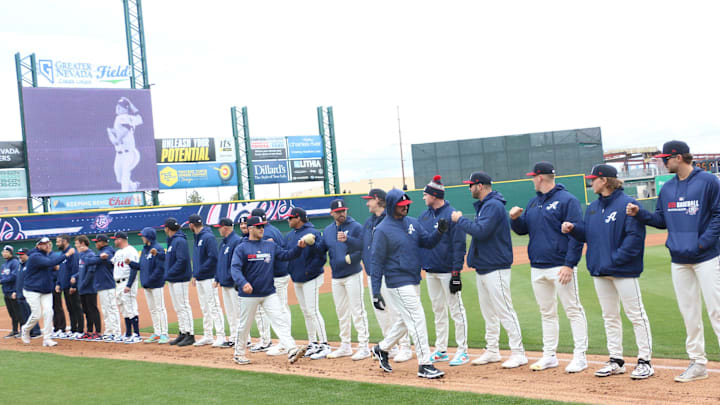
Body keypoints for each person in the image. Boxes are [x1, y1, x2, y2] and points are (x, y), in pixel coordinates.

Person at [626, 140, 720, 383]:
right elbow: (661, 220)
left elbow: (719, 215)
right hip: (679, 258)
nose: (663, 162)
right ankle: (698, 363)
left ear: (679, 157)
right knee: (689, 312)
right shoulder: (667, 188)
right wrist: (641, 214)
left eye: (666, 158)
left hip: (707, 257)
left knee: (717, 310)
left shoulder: (709, 181)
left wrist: (702, 243)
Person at [562, 164, 653, 379]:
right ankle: (616, 360)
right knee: (609, 316)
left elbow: (634, 238)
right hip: (600, 270)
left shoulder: (628, 204)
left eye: (593, 179)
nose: (590, 182)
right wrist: (574, 230)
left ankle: (645, 361)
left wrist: (615, 259)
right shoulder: (593, 207)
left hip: (623, 270)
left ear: (604, 180)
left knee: (636, 315)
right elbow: (590, 235)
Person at [509, 161, 589, 373]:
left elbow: (576, 234)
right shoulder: (534, 203)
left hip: (560, 265)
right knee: (546, 312)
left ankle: (580, 357)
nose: (532, 180)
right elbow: (523, 229)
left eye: (533, 177)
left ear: (540, 177)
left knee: (573, 310)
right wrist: (515, 219)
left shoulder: (567, 200)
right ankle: (549, 356)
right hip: (538, 266)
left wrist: (569, 264)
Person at [451, 171, 527, 368]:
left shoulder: (492, 205)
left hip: (496, 266)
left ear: (480, 185)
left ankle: (519, 353)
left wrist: (460, 220)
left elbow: (481, 231)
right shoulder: (486, 205)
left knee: (504, 310)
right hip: (485, 266)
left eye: (471, 185)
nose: (469, 188)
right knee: (489, 313)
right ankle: (492, 350)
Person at [370, 189, 447, 379]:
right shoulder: (382, 230)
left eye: (407, 205)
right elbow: (376, 262)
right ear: (391, 206)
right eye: (401, 205)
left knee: (406, 319)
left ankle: (382, 348)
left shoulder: (412, 223)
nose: (405, 208)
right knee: (417, 318)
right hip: (396, 281)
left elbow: (427, 242)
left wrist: (439, 232)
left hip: (413, 278)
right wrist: (375, 292)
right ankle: (425, 364)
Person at [230, 216, 309, 365]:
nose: (262, 229)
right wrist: (243, 282)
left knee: (280, 321)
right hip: (249, 294)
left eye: (263, 226)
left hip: (268, 293)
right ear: (251, 228)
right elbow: (235, 268)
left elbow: (286, 255)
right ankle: (239, 353)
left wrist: (299, 248)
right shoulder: (242, 247)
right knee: (244, 325)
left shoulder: (269, 245)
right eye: (258, 227)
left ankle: (292, 349)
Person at [418, 175, 470, 366]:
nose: (423, 198)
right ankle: (441, 349)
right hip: (431, 271)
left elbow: (459, 245)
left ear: (434, 195)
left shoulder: (452, 214)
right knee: (438, 310)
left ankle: (463, 350)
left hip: (448, 270)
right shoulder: (424, 216)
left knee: (456, 310)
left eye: (425, 195)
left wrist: (456, 272)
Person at [315, 199, 371, 360]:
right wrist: (311, 243)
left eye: (343, 211)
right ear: (332, 213)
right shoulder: (328, 231)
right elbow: (322, 250)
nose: (341, 214)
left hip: (353, 274)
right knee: (341, 313)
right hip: (336, 276)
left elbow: (363, 246)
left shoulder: (355, 227)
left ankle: (364, 346)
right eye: (338, 212)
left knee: (358, 311)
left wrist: (349, 253)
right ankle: (345, 346)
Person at [361, 188, 412, 363]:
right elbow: (363, 246)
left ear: (378, 200)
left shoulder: (391, 221)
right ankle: (388, 348)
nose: (367, 203)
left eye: (369, 200)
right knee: (381, 312)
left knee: (396, 311)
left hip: (388, 274)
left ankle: (405, 347)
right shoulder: (369, 222)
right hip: (372, 274)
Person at [285, 207, 330, 359]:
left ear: (299, 218)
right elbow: (288, 254)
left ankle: (324, 344)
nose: (289, 220)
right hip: (297, 278)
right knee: (306, 312)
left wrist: (309, 270)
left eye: (291, 218)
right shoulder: (291, 235)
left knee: (313, 311)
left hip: (311, 277)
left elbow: (321, 256)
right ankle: (313, 343)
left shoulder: (313, 233)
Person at [22, 237, 75, 346]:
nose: (47, 245)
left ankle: (47, 338)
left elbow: (48, 266)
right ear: (38, 246)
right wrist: (67, 254)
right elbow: (50, 263)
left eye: (48, 243)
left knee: (49, 312)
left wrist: (52, 268)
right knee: (36, 315)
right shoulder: (35, 256)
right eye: (44, 244)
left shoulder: (45, 255)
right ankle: (25, 329)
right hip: (32, 290)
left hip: (46, 289)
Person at [250, 207, 289, 354]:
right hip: (282, 273)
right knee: (282, 308)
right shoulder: (275, 230)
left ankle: (284, 343)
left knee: (279, 310)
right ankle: (284, 342)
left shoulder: (266, 233)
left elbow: (265, 259)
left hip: (276, 275)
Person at [188, 214, 226, 347]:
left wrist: (198, 272)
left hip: (209, 278)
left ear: (191, 225)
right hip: (200, 278)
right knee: (205, 307)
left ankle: (221, 336)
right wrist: (195, 274)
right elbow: (198, 259)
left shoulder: (207, 237)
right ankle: (208, 335)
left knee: (214, 306)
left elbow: (213, 258)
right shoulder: (198, 237)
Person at [127, 227, 169, 344]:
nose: (142, 237)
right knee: (152, 309)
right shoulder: (145, 250)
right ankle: (157, 332)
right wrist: (131, 264)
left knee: (160, 308)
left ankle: (164, 333)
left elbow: (160, 268)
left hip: (156, 284)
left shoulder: (157, 248)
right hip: (147, 284)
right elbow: (142, 266)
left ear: (149, 236)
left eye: (143, 236)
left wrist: (150, 280)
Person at [164, 217, 195, 347]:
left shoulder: (179, 241)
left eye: (165, 227)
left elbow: (182, 260)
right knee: (178, 307)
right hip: (173, 278)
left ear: (168, 228)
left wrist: (169, 273)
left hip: (180, 278)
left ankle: (190, 334)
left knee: (183, 306)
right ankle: (182, 332)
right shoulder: (173, 241)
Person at [213, 218, 242, 349]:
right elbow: (220, 263)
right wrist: (217, 278)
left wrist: (233, 278)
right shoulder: (223, 243)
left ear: (225, 227)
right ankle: (233, 337)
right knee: (230, 313)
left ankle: (242, 339)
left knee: (238, 312)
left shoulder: (236, 241)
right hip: (225, 283)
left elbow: (237, 263)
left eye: (220, 227)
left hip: (233, 284)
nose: (218, 229)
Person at [91, 235, 124, 343]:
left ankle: (116, 332)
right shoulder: (101, 252)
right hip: (102, 284)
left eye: (97, 242)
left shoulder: (109, 250)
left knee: (111, 308)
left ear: (103, 242)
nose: (96, 244)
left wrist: (101, 257)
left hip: (107, 284)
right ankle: (109, 331)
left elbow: (107, 256)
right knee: (106, 310)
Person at [107, 96, 142, 192]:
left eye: (120, 107)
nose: (117, 108)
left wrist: (117, 138)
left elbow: (126, 128)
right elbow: (139, 117)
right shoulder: (131, 117)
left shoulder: (120, 117)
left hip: (128, 153)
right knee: (119, 179)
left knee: (124, 177)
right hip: (122, 154)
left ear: (125, 109)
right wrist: (130, 103)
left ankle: (125, 197)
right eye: (117, 106)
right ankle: (133, 185)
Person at [111, 231, 141, 343]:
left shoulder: (131, 251)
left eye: (115, 239)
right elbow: (111, 263)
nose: (114, 241)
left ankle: (137, 334)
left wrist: (129, 285)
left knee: (131, 307)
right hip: (118, 283)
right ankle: (128, 333)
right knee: (123, 308)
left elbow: (134, 268)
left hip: (127, 282)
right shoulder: (118, 252)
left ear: (120, 239)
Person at [71, 235, 102, 341]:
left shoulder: (90, 254)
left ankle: (97, 331)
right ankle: (89, 331)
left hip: (90, 288)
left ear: (82, 243)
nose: (75, 245)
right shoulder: (82, 255)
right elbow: (81, 271)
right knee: (86, 310)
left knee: (93, 309)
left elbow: (91, 271)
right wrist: (75, 277)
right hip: (82, 288)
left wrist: (83, 284)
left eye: (76, 243)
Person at [55, 234, 83, 339]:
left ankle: (80, 330)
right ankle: (73, 329)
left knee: (76, 307)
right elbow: (60, 271)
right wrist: (58, 283)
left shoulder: (73, 253)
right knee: (70, 308)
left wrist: (74, 285)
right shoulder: (63, 254)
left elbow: (75, 270)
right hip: (64, 285)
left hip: (72, 286)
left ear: (65, 241)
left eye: (58, 241)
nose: (57, 244)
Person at [13, 248, 41, 338]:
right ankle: (28, 331)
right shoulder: (20, 265)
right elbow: (18, 280)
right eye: (19, 254)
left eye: (22, 254)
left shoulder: (30, 265)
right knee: (24, 314)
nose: (20, 256)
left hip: (28, 293)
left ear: (27, 255)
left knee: (31, 313)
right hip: (20, 294)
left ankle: (36, 331)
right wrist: (16, 291)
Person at [1, 245, 21, 338]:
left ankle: (22, 330)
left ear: (10, 253)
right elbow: (2, 276)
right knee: (12, 313)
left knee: (18, 312)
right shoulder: (4, 265)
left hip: (13, 291)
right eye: (3, 251)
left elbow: (14, 276)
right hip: (6, 291)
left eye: (6, 251)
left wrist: (2, 280)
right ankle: (14, 330)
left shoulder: (15, 262)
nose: (4, 253)